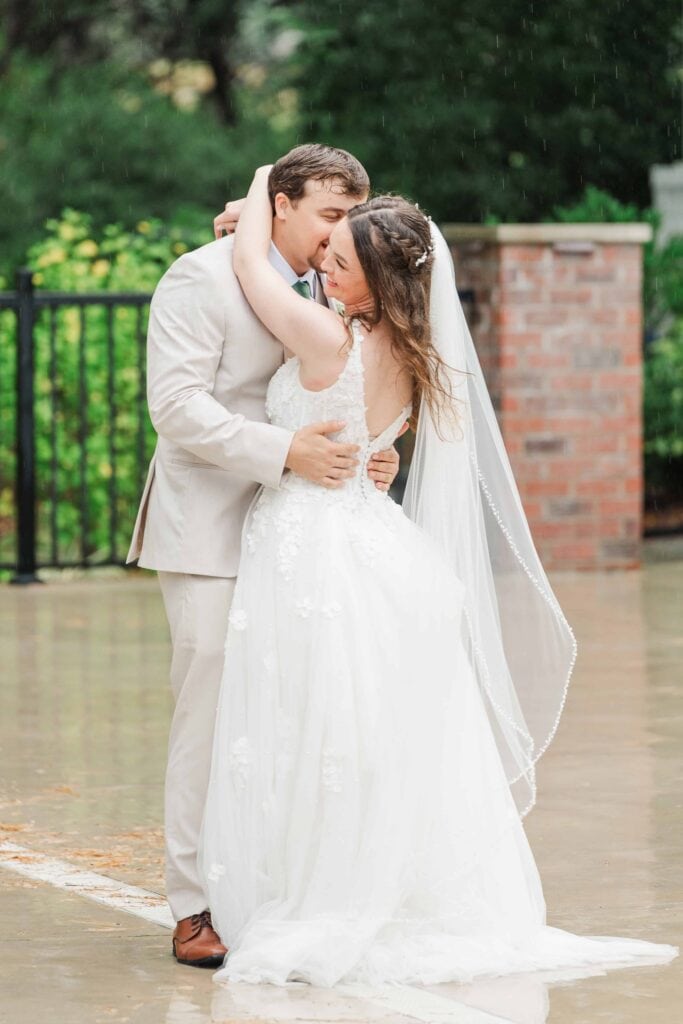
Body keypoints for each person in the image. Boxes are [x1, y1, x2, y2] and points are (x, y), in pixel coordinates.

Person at [198, 167, 678, 986]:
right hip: (370, 539)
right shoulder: (414, 356)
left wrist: (253, 200)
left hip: (314, 549)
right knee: (360, 732)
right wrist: (375, 458)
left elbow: (250, 272)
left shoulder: (326, 337)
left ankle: (323, 890)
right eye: (326, 253)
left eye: (341, 261)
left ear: (380, 281)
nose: (322, 267)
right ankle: (370, 877)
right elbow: (380, 442)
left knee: (315, 724)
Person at [126, 145, 401, 967]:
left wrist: (368, 454)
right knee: (209, 713)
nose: (335, 234)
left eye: (345, 218)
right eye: (324, 214)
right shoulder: (199, 276)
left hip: (304, 535)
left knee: (288, 715)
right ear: (278, 204)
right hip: (212, 525)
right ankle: (193, 904)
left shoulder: (334, 280)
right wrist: (286, 451)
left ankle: (268, 886)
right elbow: (175, 407)